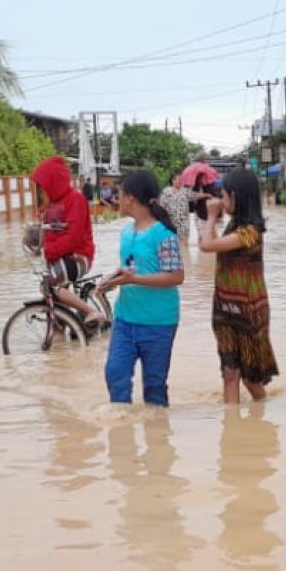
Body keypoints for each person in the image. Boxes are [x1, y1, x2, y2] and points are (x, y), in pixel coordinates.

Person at [99, 171, 185, 406]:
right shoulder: (127, 232)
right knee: (115, 374)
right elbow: (131, 266)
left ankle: (157, 436)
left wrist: (133, 280)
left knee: (155, 387)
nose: (116, 199)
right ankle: (121, 434)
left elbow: (176, 276)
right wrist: (112, 278)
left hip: (159, 322)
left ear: (131, 199)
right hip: (125, 319)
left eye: (120, 194)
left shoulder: (163, 235)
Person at [198, 169, 278, 404]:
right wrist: (214, 220)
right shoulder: (233, 225)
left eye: (223, 196)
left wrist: (212, 216)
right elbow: (209, 242)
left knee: (251, 376)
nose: (221, 201)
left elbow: (207, 246)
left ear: (235, 196)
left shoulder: (251, 232)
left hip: (248, 310)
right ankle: (232, 428)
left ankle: (260, 415)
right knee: (229, 372)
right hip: (225, 307)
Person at [30, 155, 100, 325]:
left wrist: (49, 251)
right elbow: (46, 234)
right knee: (52, 304)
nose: (40, 191)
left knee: (51, 286)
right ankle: (59, 335)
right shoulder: (48, 207)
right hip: (56, 259)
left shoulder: (76, 199)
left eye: (42, 187)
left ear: (52, 182)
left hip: (78, 257)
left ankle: (92, 311)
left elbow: (72, 237)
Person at [159, 172, 192, 240]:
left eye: (181, 179)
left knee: (183, 241)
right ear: (173, 180)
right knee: (172, 240)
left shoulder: (185, 191)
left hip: (183, 222)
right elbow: (162, 205)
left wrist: (205, 194)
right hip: (171, 221)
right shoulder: (166, 191)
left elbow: (194, 195)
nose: (180, 181)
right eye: (179, 179)